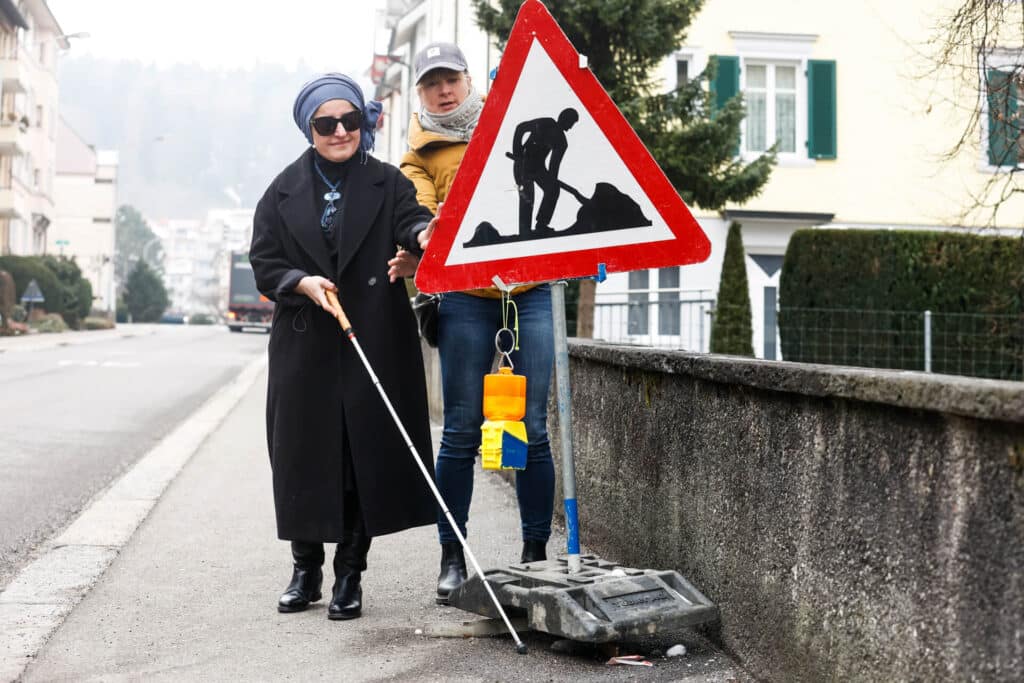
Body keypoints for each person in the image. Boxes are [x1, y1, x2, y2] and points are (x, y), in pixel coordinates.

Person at [250, 73, 437, 621]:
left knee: (364, 457)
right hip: (305, 344)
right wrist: (300, 283)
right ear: (308, 129)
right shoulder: (281, 190)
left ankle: (349, 575)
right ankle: (304, 569)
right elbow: (265, 262)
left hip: (373, 336)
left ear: (362, 122)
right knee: (303, 456)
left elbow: (411, 220)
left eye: (349, 120)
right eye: (325, 123)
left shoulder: (387, 182)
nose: (339, 131)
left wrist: (425, 239)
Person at [395, 42, 556, 605]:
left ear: (469, 80)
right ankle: (451, 557)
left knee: (531, 426)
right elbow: (415, 216)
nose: (444, 89)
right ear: (421, 93)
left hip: (531, 291)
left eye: (451, 79)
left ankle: (535, 555)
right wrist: (422, 237)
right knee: (462, 429)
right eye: (431, 82)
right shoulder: (416, 156)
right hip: (464, 296)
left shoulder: (512, 114)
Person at [511, 108, 580, 236]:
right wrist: (517, 152)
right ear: (564, 118)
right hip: (523, 163)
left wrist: (552, 182)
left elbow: (554, 168)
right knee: (527, 195)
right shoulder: (546, 123)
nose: (571, 126)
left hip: (539, 168)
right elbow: (520, 128)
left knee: (553, 190)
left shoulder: (562, 143)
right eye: (571, 122)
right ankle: (525, 231)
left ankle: (541, 225)